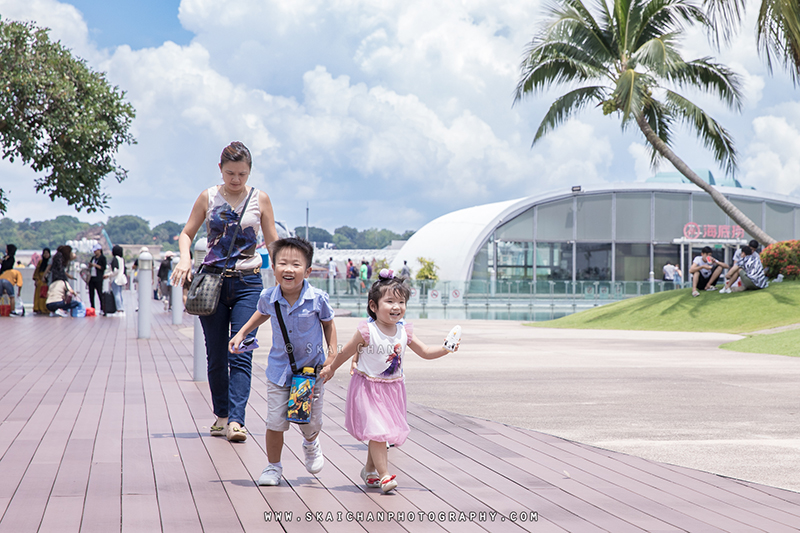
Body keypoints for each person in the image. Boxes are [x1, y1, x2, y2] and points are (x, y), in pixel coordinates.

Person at [171, 141, 278, 443]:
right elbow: (187, 233)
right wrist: (184, 257)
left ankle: (237, 421)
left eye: (242, 174)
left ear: (250, 172)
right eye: (230, 173)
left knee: (241, 350)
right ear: (220, 169)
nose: (235, 180)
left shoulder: (261, 200)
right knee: (216, 354)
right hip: (212, 282)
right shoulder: (208, 197)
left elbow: (273, 243)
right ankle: (220, 415)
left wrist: (288, 273)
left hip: (248, 282)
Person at [320, 270, 460, 493]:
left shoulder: (404, 331)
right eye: (390, 301)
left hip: (393, 389)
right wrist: (331, 369)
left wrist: (445, 349)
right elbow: (346, 352)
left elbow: (424, 351)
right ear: (373, 306)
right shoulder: (367, 331)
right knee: (377, 430)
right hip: (367, 387)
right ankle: (385, 476)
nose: (397, 306)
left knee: (381, 431)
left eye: (401, 301)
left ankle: (369, 470)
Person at [228, 238, 338, 486]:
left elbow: (329, 324)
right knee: (275, 421)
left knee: (310, 422)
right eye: (283, 263)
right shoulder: (269, 296)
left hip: (310, 373)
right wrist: (242, 332)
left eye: (296, 264)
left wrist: (332, 357)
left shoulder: (317, 298)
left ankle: (310, 442)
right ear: (274, 267)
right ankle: (273, 467)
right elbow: (261, 314)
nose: (288, 269)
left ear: (307, 271)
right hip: (279, 371)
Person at [105, 245, 126, 314]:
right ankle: (121, 307)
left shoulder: (115, 259)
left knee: (116, 294)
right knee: (119, 293)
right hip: (121, 278)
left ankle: (119, 308)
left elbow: (115, 270)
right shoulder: (122, 259)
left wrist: (108, 275)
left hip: (115, 279)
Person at [87, 244, 107, 312]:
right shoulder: (93, 258)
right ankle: (92, 307)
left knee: (100, 293)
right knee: (91, 294)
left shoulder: (102, 258)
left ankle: (102, 308)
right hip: (92, 277)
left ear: (99, 250)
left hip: (98, 278)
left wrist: (95, 265)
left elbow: (103, 268)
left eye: (96, 251)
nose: (95, 252)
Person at [33, 248, 51, 314]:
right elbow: (37, 271)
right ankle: (38, 308)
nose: (46, 255)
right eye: (44, 254)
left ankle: (46, 308)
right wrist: (36, 280)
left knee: (46, 296)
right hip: (40, 281)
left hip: (47, 281)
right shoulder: (40, 262)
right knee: (39, 296)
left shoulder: (50, 262)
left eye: (47, 253)